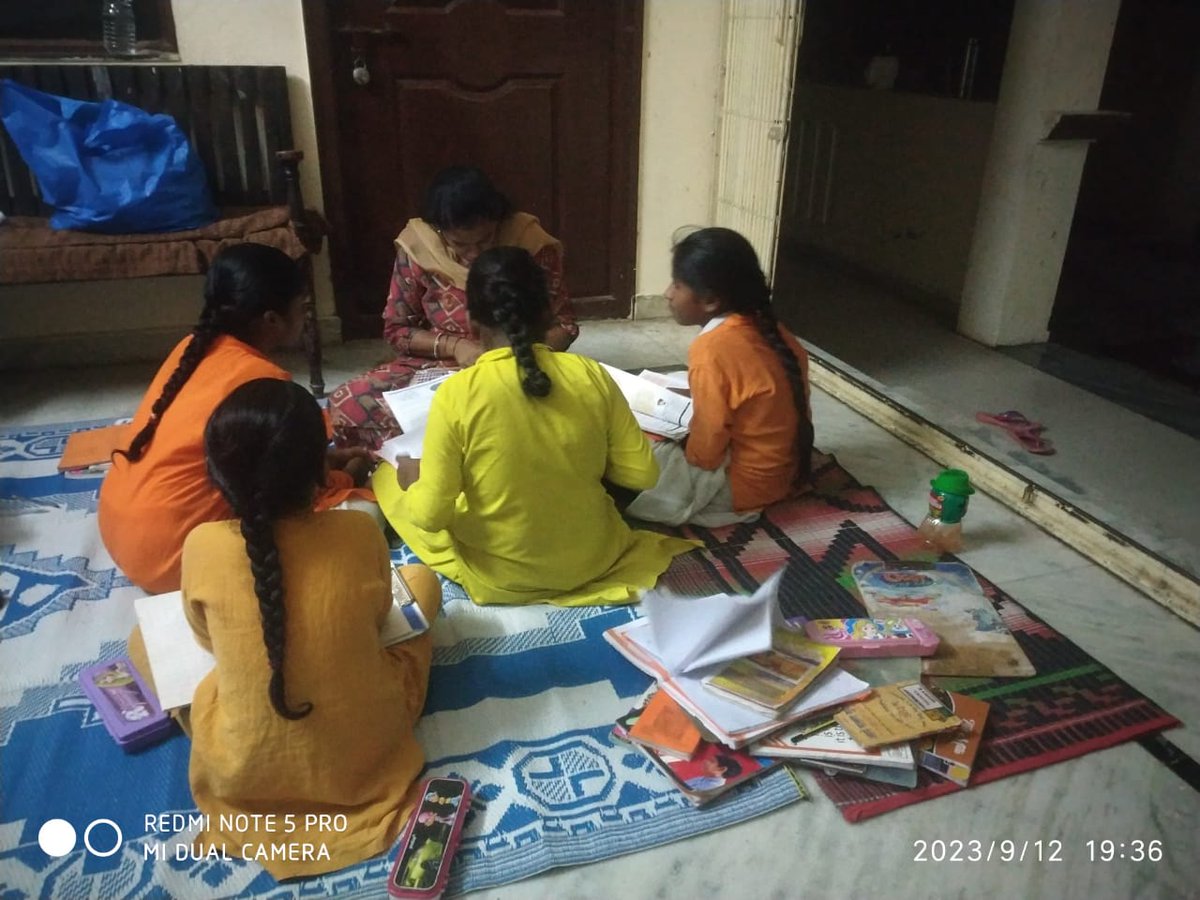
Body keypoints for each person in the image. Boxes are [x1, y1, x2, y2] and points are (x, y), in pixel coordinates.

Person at [183, 379, 441, 880]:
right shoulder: (358, 531)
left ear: (218, 473)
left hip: (241, 765)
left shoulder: (201, 545)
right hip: (366, 750)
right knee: (422, 583)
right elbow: (380, 615)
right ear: (318, 471)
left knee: (143, 642)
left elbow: (203, 640)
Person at [372, 246, 696, 606]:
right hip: (595, 560)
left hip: (503, 578)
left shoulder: (457, 394)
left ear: (472, 323)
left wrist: (413, 478)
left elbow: (431, 516)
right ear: (547, 314)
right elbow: (642, 475)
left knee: (386, 480)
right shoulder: (590, 373)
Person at [98, 243, 371, 595]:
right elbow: (291, 493)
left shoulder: (190, 347)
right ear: (272, 319)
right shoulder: (264, 383)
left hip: (119, 529)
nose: (306, 319)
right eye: (301, 309)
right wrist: (348, 477)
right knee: (360, 520)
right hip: (179, 559)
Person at [329, 166, 579, 449]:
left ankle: (441, 456)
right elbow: (397, 330)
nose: (474, 254)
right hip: (443, 366)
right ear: (438, 229)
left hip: (524, 361)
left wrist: (512, 357)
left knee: (578, 400)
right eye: (460, 244)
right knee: (347, 403)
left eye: (485, 240)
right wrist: (455, 347)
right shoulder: (419, 248)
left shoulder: (531, 244)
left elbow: (565, 326)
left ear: (498, 220)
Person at [626, 227, 813, 527]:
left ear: (711, 301)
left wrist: (668, 443)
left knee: (622, 439)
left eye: (677, 285)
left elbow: (706, 452)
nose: (667, 294)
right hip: (785, 474)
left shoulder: (712, 349)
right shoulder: (773, 330)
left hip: (742, 487)